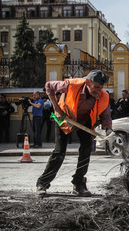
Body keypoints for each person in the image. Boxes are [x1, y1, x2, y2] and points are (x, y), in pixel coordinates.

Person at [36, 69, 112, 198]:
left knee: (86, 149)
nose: (98, 90)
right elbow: (49, 86)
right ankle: (42, 184)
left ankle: (78, 184)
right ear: (88, 82)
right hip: (64, 118)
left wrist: (109, 130)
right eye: (96, 86)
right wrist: (56, 108)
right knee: (59, 152)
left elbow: (106, 115)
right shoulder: (71, 85)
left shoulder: (103, 95)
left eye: (101, 87)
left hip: (84, 121)